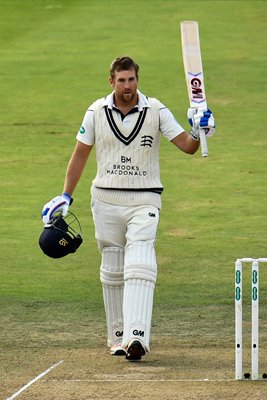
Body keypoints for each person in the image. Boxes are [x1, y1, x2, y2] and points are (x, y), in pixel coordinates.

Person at [41, 56, 215, 361]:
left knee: (140, 262)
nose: (127, 86)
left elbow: (187, 146)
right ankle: (117, 336)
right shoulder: (96, 111)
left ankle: (138, 335)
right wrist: (66, 195)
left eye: (132, 79)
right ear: (111, 81)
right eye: (121, 80)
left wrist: (202, 130)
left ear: (138, 79)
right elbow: (80, 155)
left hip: (145, 198)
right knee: (112, 268)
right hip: (105, 198)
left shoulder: (155, 109)